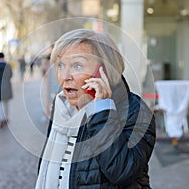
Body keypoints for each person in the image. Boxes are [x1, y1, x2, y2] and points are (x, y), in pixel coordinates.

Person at [35, 29, 156, 188]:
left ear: (104, 71)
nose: (65, 76)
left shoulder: (136, 112)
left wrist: (101, 112)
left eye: (77, 65)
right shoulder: (62, 107)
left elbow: (122, 172)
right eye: (61, 65)